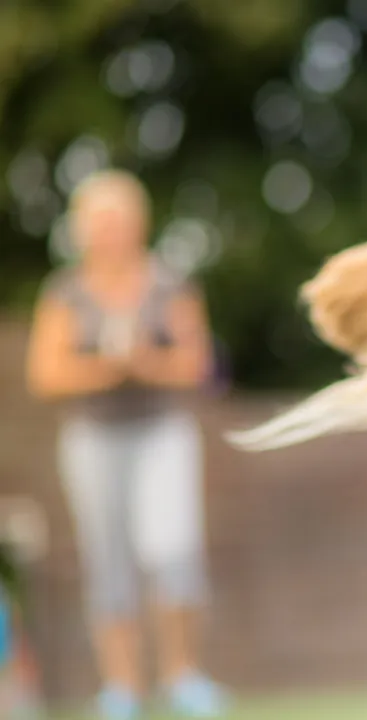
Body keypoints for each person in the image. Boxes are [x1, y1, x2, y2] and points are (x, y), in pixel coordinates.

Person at [24, 170, 228, 719]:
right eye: (100, 222)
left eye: (120, 220)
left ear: (138, 224)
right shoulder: (65, 291)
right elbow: (46, 373)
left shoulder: (169, 284)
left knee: (174, 550)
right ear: (83, 229)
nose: (111, 232)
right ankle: (122, 690)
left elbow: (197, 364)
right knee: (107, 561)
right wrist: (107, 370)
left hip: (163, 433)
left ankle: (185, 677)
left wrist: (146, 364)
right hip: (93, 439)